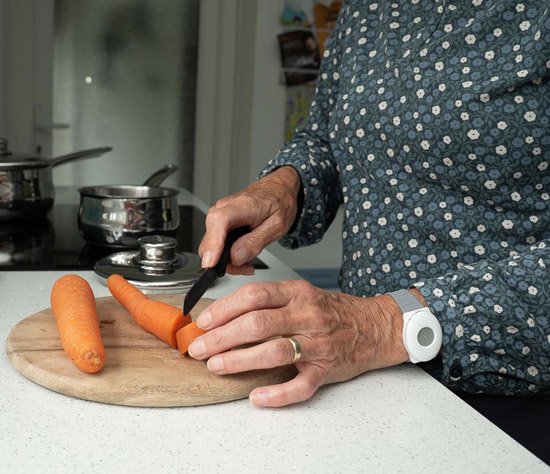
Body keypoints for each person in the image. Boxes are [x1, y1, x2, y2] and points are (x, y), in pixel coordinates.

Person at [188, 0, 550, 407]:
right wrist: (285, 186)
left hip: (506, 395)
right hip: (356, 373)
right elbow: (326, 133)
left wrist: (381, 326)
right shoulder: (369, 7)